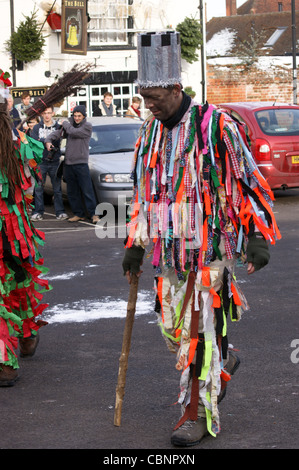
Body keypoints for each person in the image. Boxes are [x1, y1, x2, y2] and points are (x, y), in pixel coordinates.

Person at [122, 32, 281, 447]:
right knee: (174, 332)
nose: (149, 106)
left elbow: (248, 181)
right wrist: (135, 246)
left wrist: (256, 236)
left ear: (176, 88)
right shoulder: (150, 134)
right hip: (170, 254)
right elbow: (145, 192)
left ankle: (197, 415)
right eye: (145, 98)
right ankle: (224, 360)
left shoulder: (217, 126)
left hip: (211, 251)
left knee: (199, 336)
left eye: (155, 97)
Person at [0, 69, 51, 387]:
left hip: (8, 233)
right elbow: (35, 180)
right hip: (18, 233)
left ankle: (5, 363)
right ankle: (28, 336)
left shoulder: (20, 141)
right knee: (21, 282)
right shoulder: (23, 143)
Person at [45, 105, 99, 224]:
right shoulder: (69, 126)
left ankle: (94, 214)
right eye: (74, 116)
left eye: (79, 116)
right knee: (72, 191)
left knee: (87, 190)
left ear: (84, 116)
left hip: (81, 163)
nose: (77, 118)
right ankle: (78, 214)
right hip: (69, 163)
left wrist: (65, 123)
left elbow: (73, 132)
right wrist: (48, 141)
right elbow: (57, 133)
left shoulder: (87, 126)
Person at [30, 106, 68, 221]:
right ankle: (38, 212)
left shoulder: (58, 127)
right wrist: (47, 140)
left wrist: (46, 140)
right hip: (41, 161)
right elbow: (34, 141)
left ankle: (60, 212)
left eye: (49, 113)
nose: (47, 115)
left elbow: (59, 141)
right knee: (38, 188)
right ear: (42, 114)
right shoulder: (37, 127)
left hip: (54, 161)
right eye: (45, 113)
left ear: (53, 113)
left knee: (57, 188)